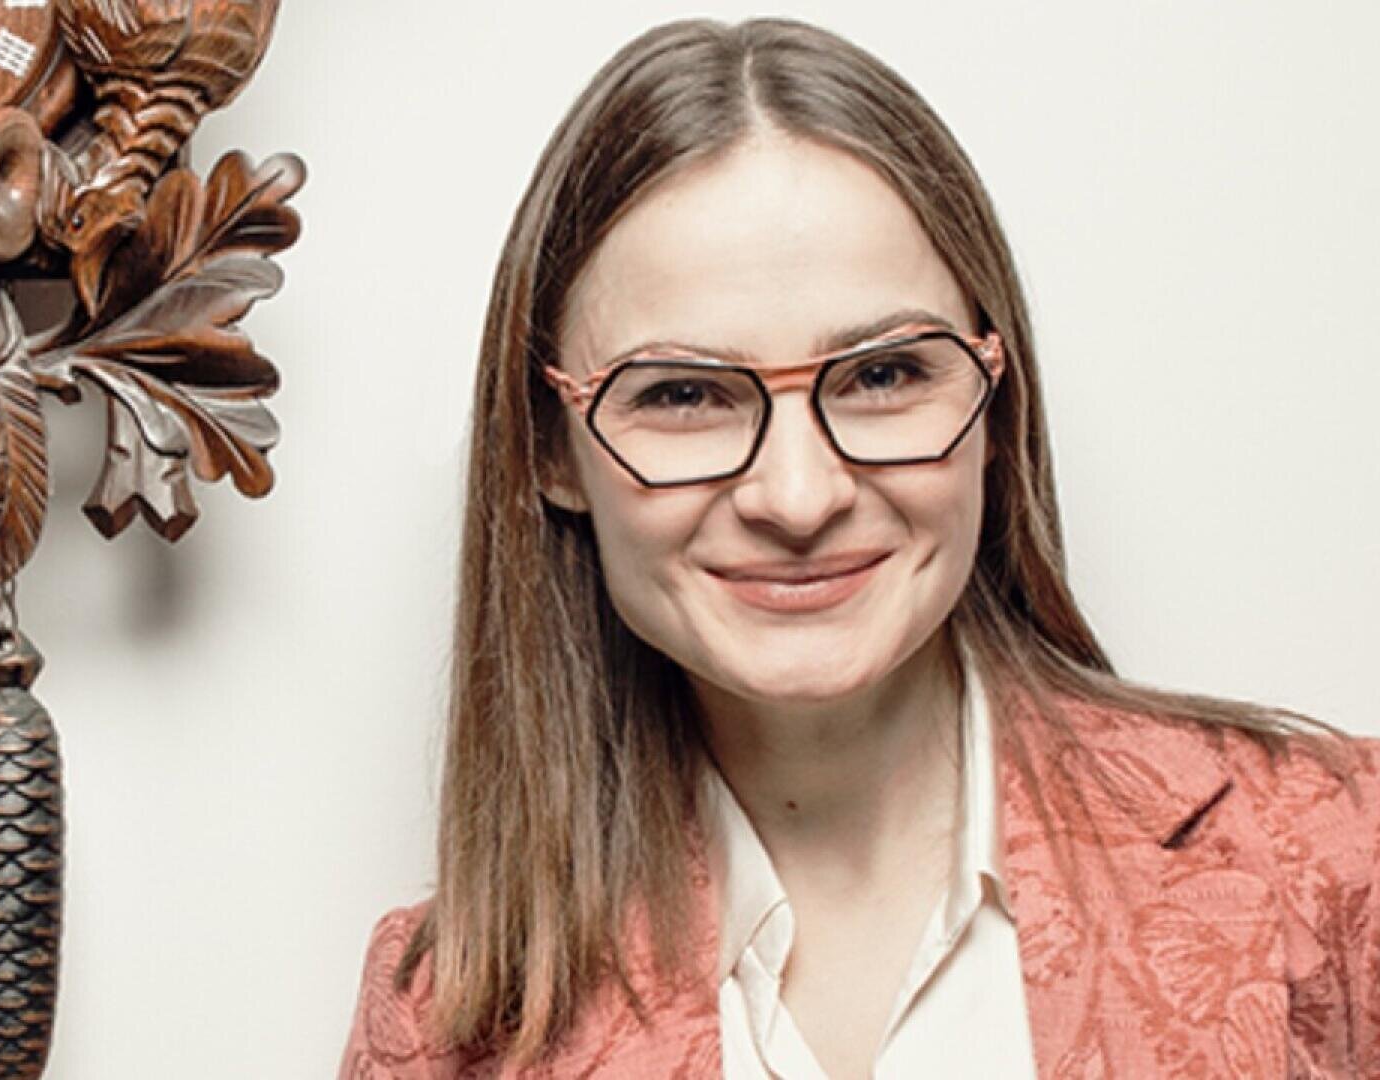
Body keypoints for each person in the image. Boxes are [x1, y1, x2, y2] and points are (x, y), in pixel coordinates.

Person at [338, 15, 1379, 1080]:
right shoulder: (439, 1030)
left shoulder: (1336, 864)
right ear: (550, 451)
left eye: (883, 375)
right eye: (684, 393)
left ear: (992, 399)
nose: (798, 497)